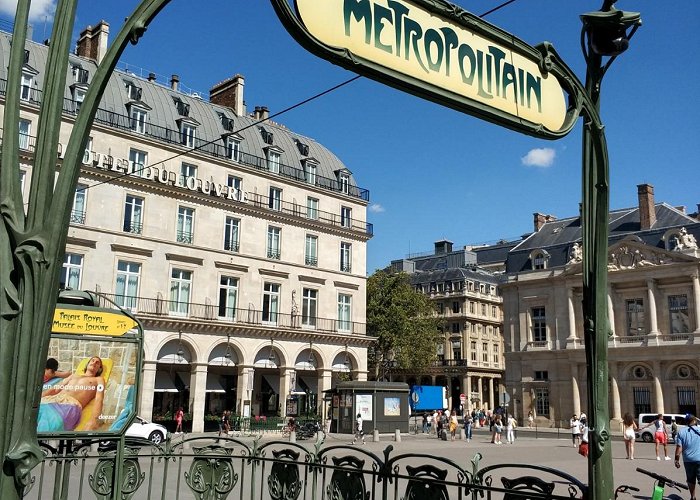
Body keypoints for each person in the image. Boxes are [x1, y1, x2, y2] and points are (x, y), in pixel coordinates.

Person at [38, 356, 105, 432]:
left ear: (100, 369)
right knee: (31, 413)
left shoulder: (99, 380)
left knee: (51, 423)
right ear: (87, 364)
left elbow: (99, 399)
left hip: (70, 405)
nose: (94, 363)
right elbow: (56, 389)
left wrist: (94, 421)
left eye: (97, 362)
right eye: (92, 360)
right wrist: (39, 397)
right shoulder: (73, 376)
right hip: (53, 399)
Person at [674, 414, 700, 500]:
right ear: (695, 421)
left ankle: (693, 497)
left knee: (690, 480)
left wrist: (676, 460)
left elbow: (679, 447)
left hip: (688, 460)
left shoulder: (681, 432)